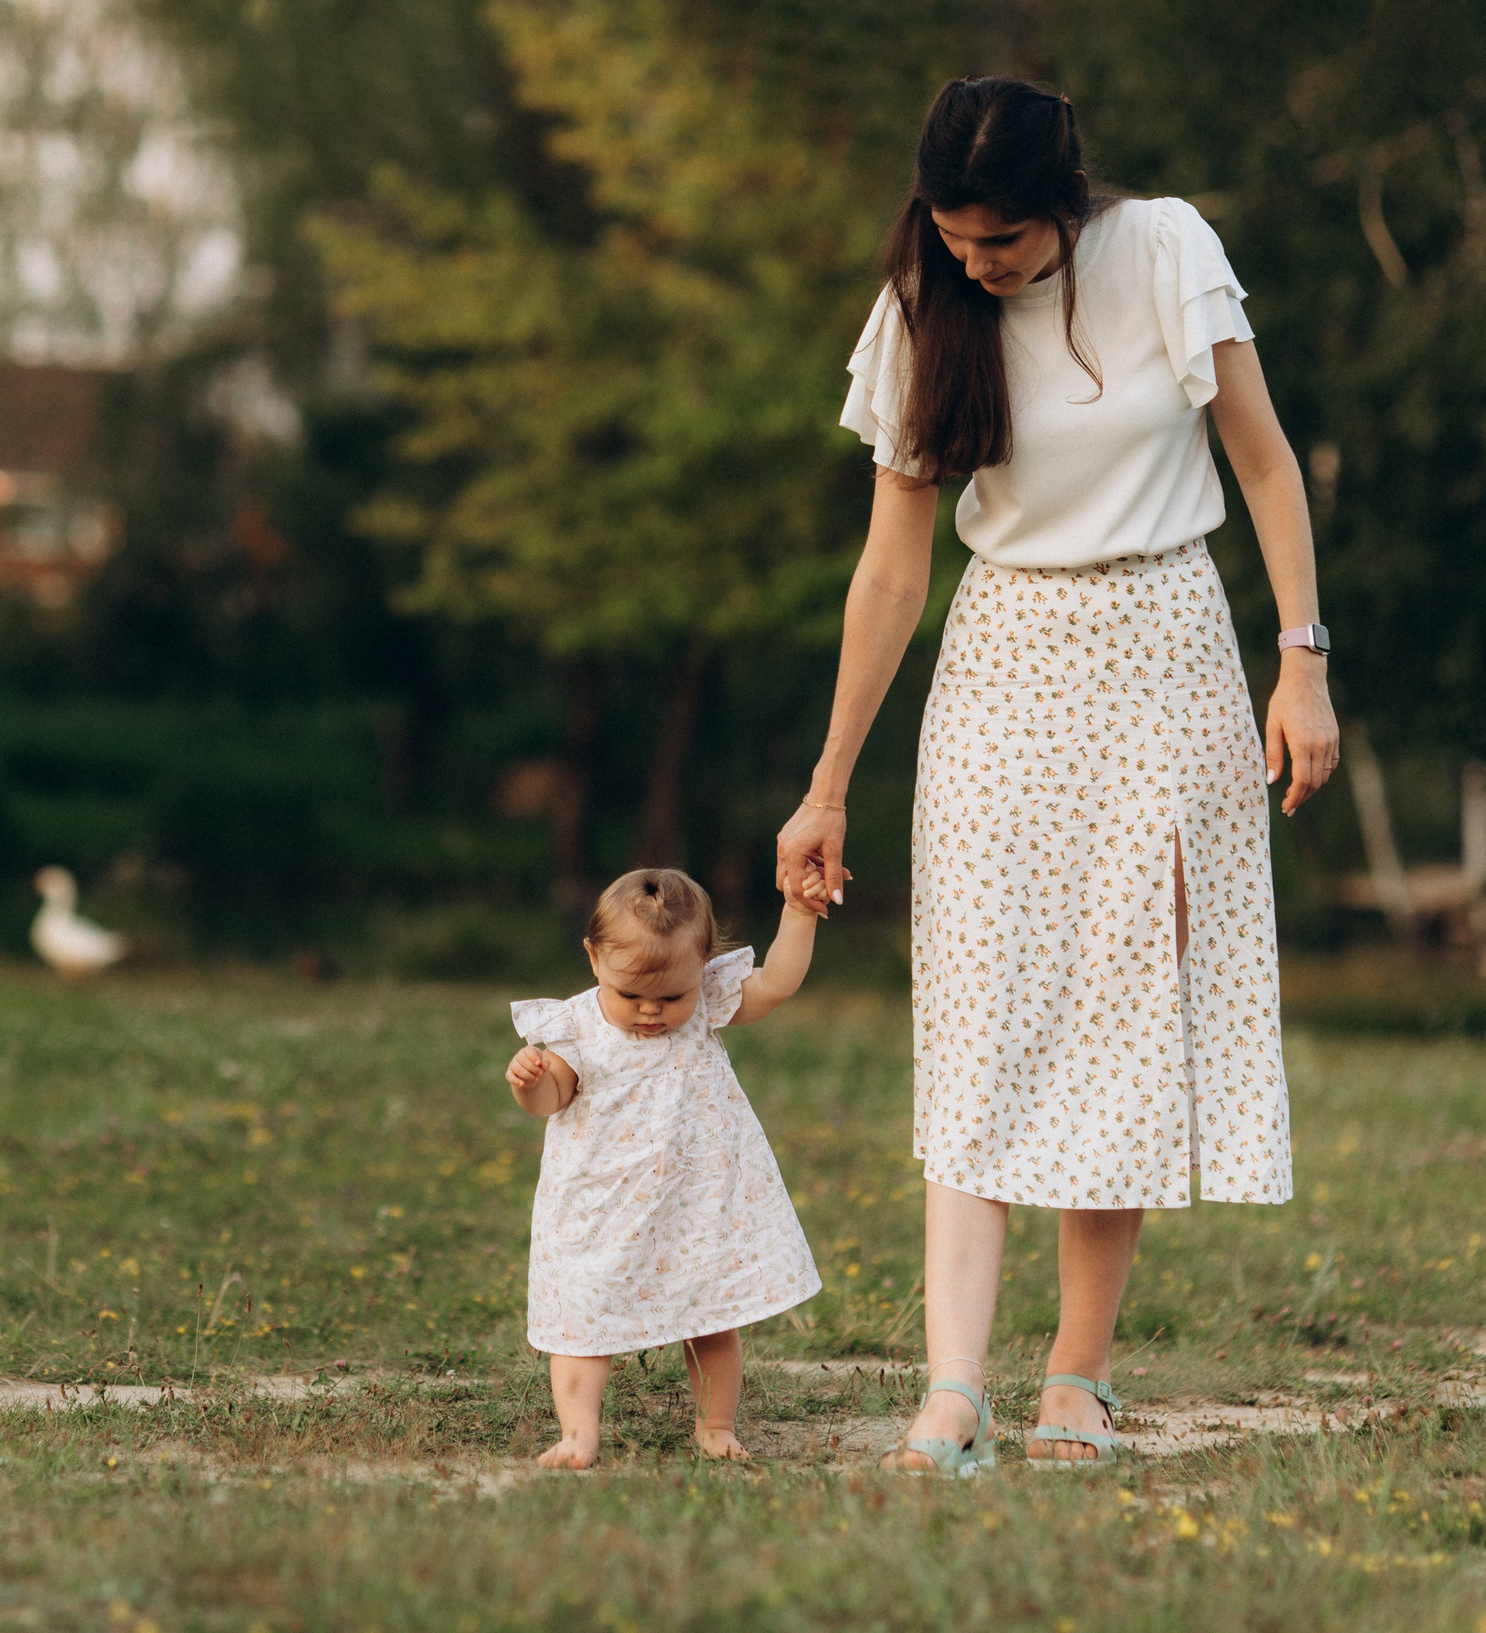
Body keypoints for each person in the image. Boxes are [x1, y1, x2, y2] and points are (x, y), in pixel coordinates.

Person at [773, 77, 1339, 1475]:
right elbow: (893, 566)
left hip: (1165, 651)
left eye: (1006, 241)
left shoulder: (1163, 251)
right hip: (1005, 663)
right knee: (979, 1008)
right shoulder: (921, 314)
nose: (984, 264)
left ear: (1062, 203)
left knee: (1124, 1011)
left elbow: (1263, 462)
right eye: (960, 239)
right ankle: (951, 1386)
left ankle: (1076, 1374)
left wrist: (1304, 659)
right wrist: (828, 779)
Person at [502, 869, 824, 1469]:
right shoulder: (574, 1028)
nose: (651, 1010)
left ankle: (716, 1424)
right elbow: (554, 1100)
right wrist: (533, 1084)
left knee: (711, 1314)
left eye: (673, 996)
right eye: (632, 996)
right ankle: (578, 1434)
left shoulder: (703, 1007)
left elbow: (777, 984)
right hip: (603, 1205)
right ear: (594, 958)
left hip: (695, 1198)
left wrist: (799, 912)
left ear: (703, 970)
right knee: (583, 1317)